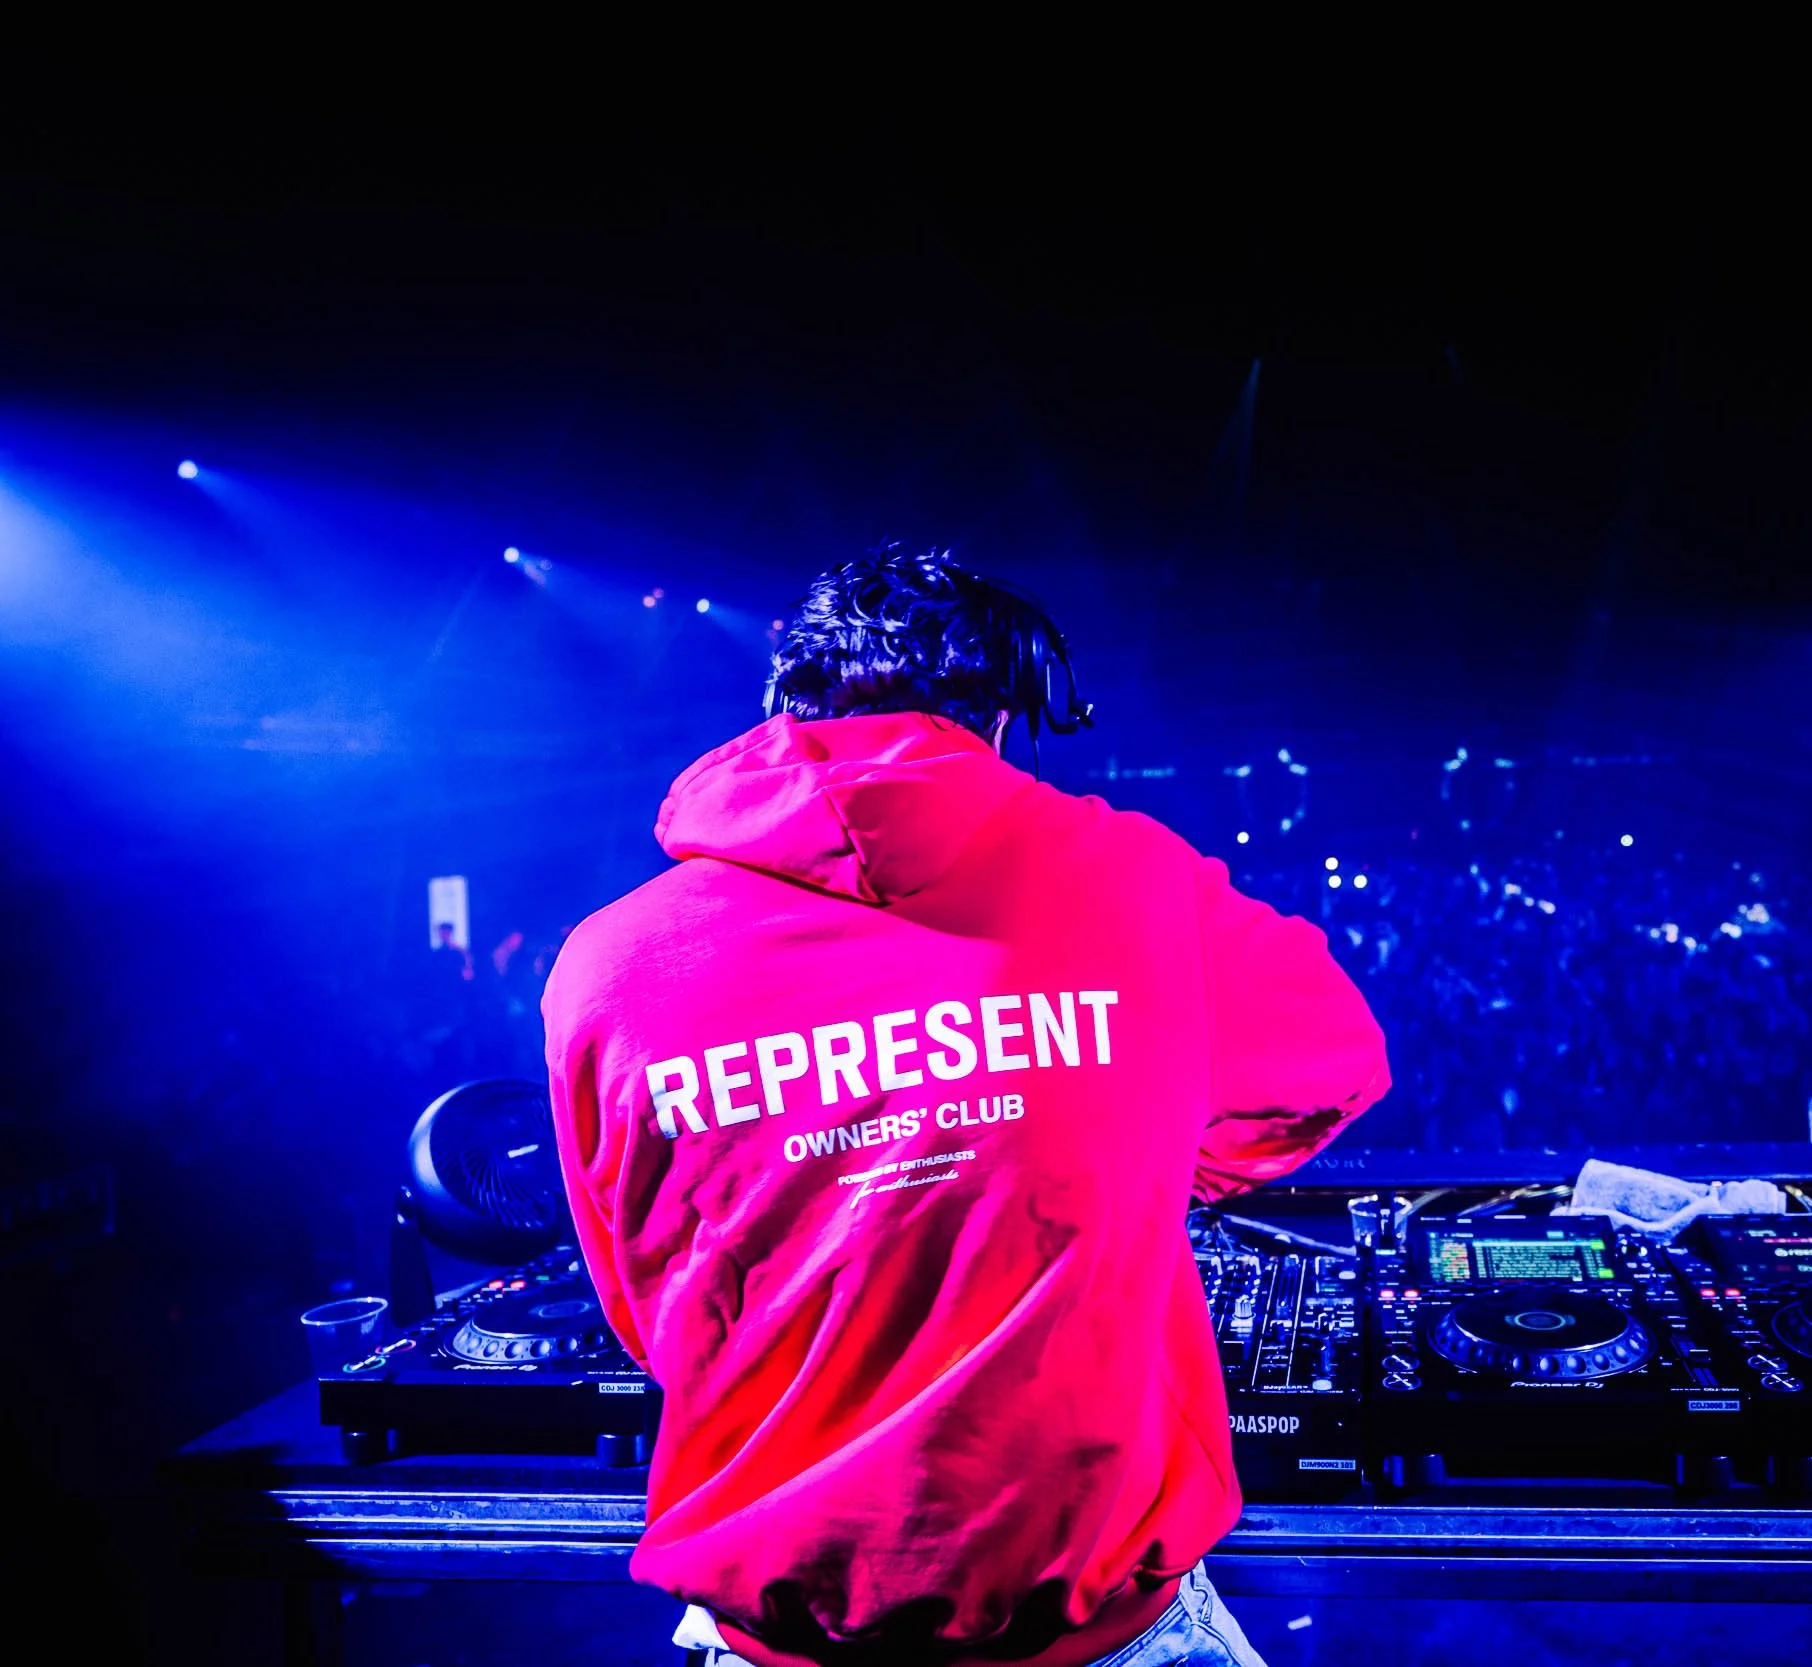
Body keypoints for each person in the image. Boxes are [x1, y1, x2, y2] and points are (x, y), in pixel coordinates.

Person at [542, 548, 1389, 1667]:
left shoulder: (605, 965)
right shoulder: (1134, 880)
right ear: (997, 719)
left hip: (777, 1633)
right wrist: (1127, 1146)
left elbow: (642, 1291)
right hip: (1095, 1630)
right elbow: (1335, 1062)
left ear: (780, 707)